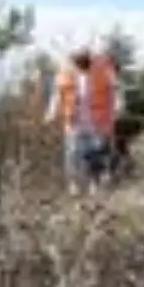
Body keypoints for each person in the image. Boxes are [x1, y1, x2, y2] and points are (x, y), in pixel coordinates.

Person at [45, 44, 121, 195]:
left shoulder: (103, 68)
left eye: (83, 59)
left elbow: (115, 88)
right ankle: (73, 183)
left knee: (95, 151)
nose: (80, 63)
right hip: (73, 118)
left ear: (89, 57)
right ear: (73, 59)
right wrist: (51, 112)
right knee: (72, 152)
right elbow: (57, 94)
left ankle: (94, 182)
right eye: (77, 59)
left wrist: (118, 105)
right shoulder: (65, 71)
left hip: (97, 119)